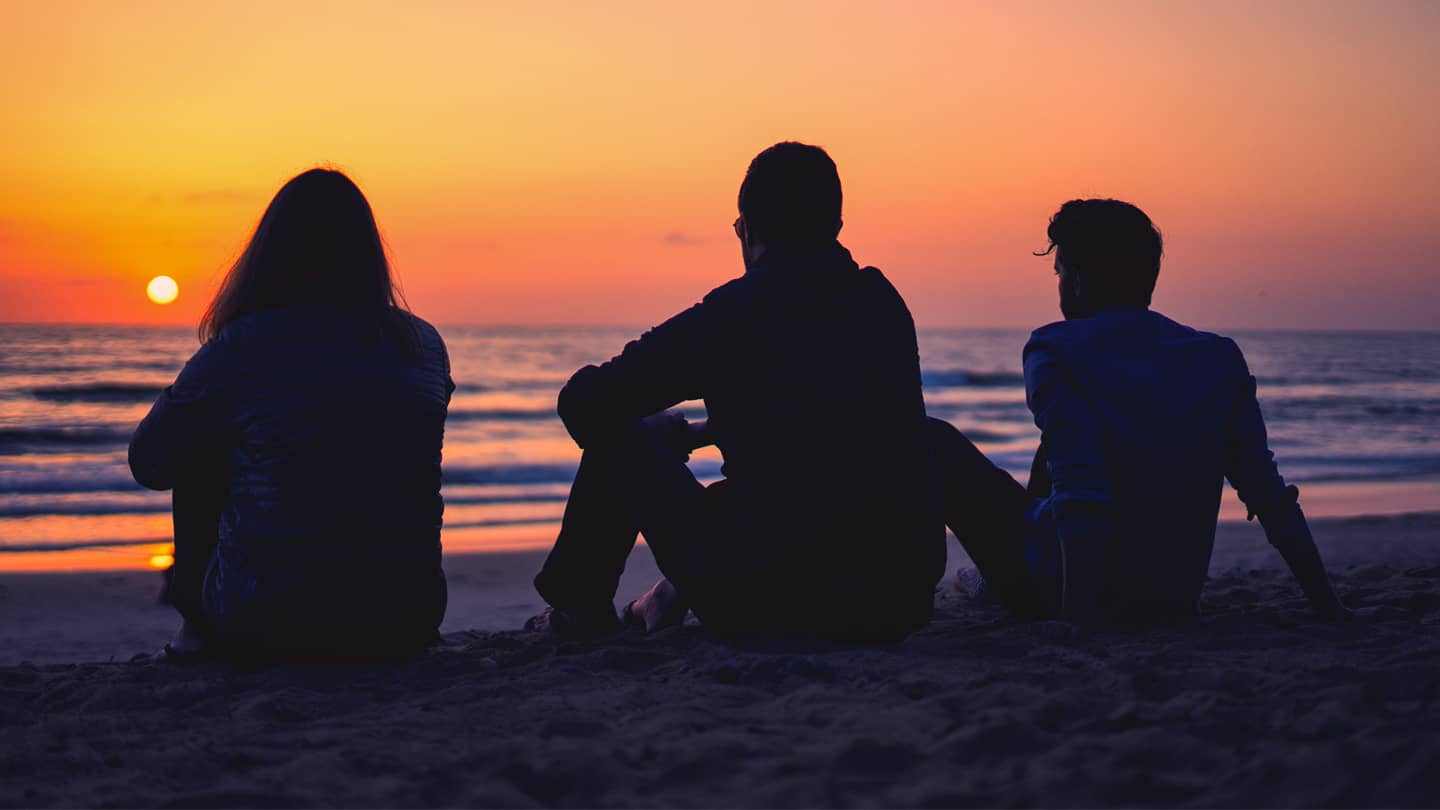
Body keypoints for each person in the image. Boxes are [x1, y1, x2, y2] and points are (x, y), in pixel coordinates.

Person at [531, 142, 945, 640]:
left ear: (747, 228)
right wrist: (698, 430)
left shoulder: (737, 312)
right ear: (836, 227)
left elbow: (584, 402)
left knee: (617, 439)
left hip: (775, 600)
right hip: (900, 597)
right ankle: (657, 593)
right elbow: (817, 418)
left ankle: (579, 610)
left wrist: (653, 428)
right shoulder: (883, 304)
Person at [931, 198, 1388, 631]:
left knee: (933, 441)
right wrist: (1331, 608)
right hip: (1170, 598)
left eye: (1059, 271)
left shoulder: (1055, 347)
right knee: (1060, 447)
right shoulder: (1218, 357)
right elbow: (1268, 495)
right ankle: (995, 577)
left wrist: (1074, 622)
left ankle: (951, 585)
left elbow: (1082, 492)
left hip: (1069, 594)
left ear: (1076, 279)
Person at [130, 168, 454, 661]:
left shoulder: (244, 345)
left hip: (267, 618)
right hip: (407, 615)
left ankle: (195, 629)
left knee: (197, 449)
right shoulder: (424, 345)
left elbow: (150, 462)